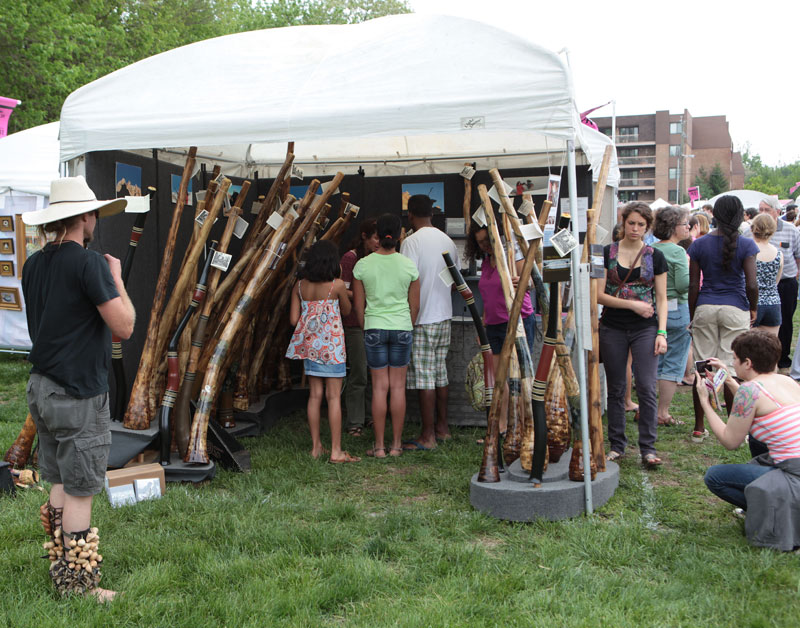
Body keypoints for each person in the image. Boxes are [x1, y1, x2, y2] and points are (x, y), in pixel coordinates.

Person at [22, 176, 135, 601]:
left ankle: (59, 566)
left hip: (42, 388)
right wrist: (118, 279)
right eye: (94, 214)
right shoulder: (89, 263)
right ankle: (79, 586)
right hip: (77, 392)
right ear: (85, 216)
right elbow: (123, 326)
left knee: (58, 477)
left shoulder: (34, 263)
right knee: (81, 486)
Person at [697, 331, 800, 551]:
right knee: (756, 448)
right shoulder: (787, 380)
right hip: (794, 464)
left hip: (793, 474)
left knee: (715, 477)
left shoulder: (748, 391)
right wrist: (728, 378)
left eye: (734, 359)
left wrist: (705, 402)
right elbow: (757, 400)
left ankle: (770, 508)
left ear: (748, 362)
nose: (733, 363)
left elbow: (729, 441)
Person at [598, 202, 668, 468]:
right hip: (613, 325)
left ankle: (648, 448)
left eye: (641, 224)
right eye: (631, 223)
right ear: (623, 223)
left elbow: (661, 298)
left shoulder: (655, 255)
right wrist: (633, 304)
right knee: (616, 388)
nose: (635, 229)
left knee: (648, 386)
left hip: (646, 328)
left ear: (647, 227)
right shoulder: (607, 253)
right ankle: (617, 445)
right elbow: (599, 295)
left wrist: (662, 331)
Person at [688, 195, 758, 444]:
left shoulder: (698, 244)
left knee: (701, 368)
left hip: (705, 306)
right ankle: (732, 424)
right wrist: (753, 309)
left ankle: (699, 427)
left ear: (715, 214)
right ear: (740, 215)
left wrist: (692, 314)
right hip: (735, 307)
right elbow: (751, 283)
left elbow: (694, 285)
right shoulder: (747, 245)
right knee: (730, 369)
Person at [353, 213, 420, 458]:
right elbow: (415, 306)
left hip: (374, 327)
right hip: (402, 327)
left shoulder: (363, 264)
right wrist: (406, 324)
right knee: (398, 387)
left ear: (378, 236)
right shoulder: (408, 265)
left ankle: (379, 446)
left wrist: (366, 326)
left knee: (380, 387)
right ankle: (396, 446)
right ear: (401, 235)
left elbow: (359, 307)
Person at [286, 240, 358, 464]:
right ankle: (336, 451)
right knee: (334, 397)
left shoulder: (299, 286)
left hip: (310, 348)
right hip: (333, 348)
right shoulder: (336, 285)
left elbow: (293, 320)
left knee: (315, 395)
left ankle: (316, 447)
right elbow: (346, 311)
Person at [464, 223, 537, 438]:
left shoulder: (511, 256)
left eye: (487, 239)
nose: (485, 245)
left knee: (520, 376)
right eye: (480, 242)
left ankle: (525, 427)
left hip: (518, 320)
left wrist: (522, 281)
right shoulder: (487, 261)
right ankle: (502, 427)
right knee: (498, 379)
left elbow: (531, 280)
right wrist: (484, 325)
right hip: (494, 324)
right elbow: (488, 298)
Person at [399, 195, 459, 451]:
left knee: (424, 378)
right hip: (444, 314)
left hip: (421, 317)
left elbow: (406, 280)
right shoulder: (447, 240)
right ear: (432, 214)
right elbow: (454, 280)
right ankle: (442, 429)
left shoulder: (410, 242)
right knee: (439, 374)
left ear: (411, 215)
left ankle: (427, 436)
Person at [745, 197, 800, 369]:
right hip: (771, 295)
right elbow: (776, 277)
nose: (762, 213)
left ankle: (774, 361)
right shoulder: (776, 253)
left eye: (766, 209)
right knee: (768, 341)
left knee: (782, 326)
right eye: (760, 209)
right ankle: (769, 369)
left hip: (774, 289)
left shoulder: (791, 231)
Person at [652, 205, 692, 427]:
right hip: (676, 309)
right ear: (674, 228)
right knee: (673, 361)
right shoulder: (678, 252)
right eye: (685, 223)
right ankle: (662, 412)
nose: (688, 227)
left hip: (653, 310)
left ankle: (651, 408)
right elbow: (684, 284)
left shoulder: (649, 248)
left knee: (655, 361)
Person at [339, 219, 379, 437]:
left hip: (375, 321)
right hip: (355, 323)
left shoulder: (378, 257)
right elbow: (343, 290)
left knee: (374, 372)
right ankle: (355, 420)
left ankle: (370, 415)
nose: (378, 242)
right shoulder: (350, 258)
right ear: (364, 236)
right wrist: (367, 297)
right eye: (375, 237)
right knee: (359, 372)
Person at [750, 214, 783, 336]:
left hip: (752, 302)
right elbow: (776, 281)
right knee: (769, 348)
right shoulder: (779, 254)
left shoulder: (749, 251)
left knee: (745, 348)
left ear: (752, 229)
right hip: (773, 303)